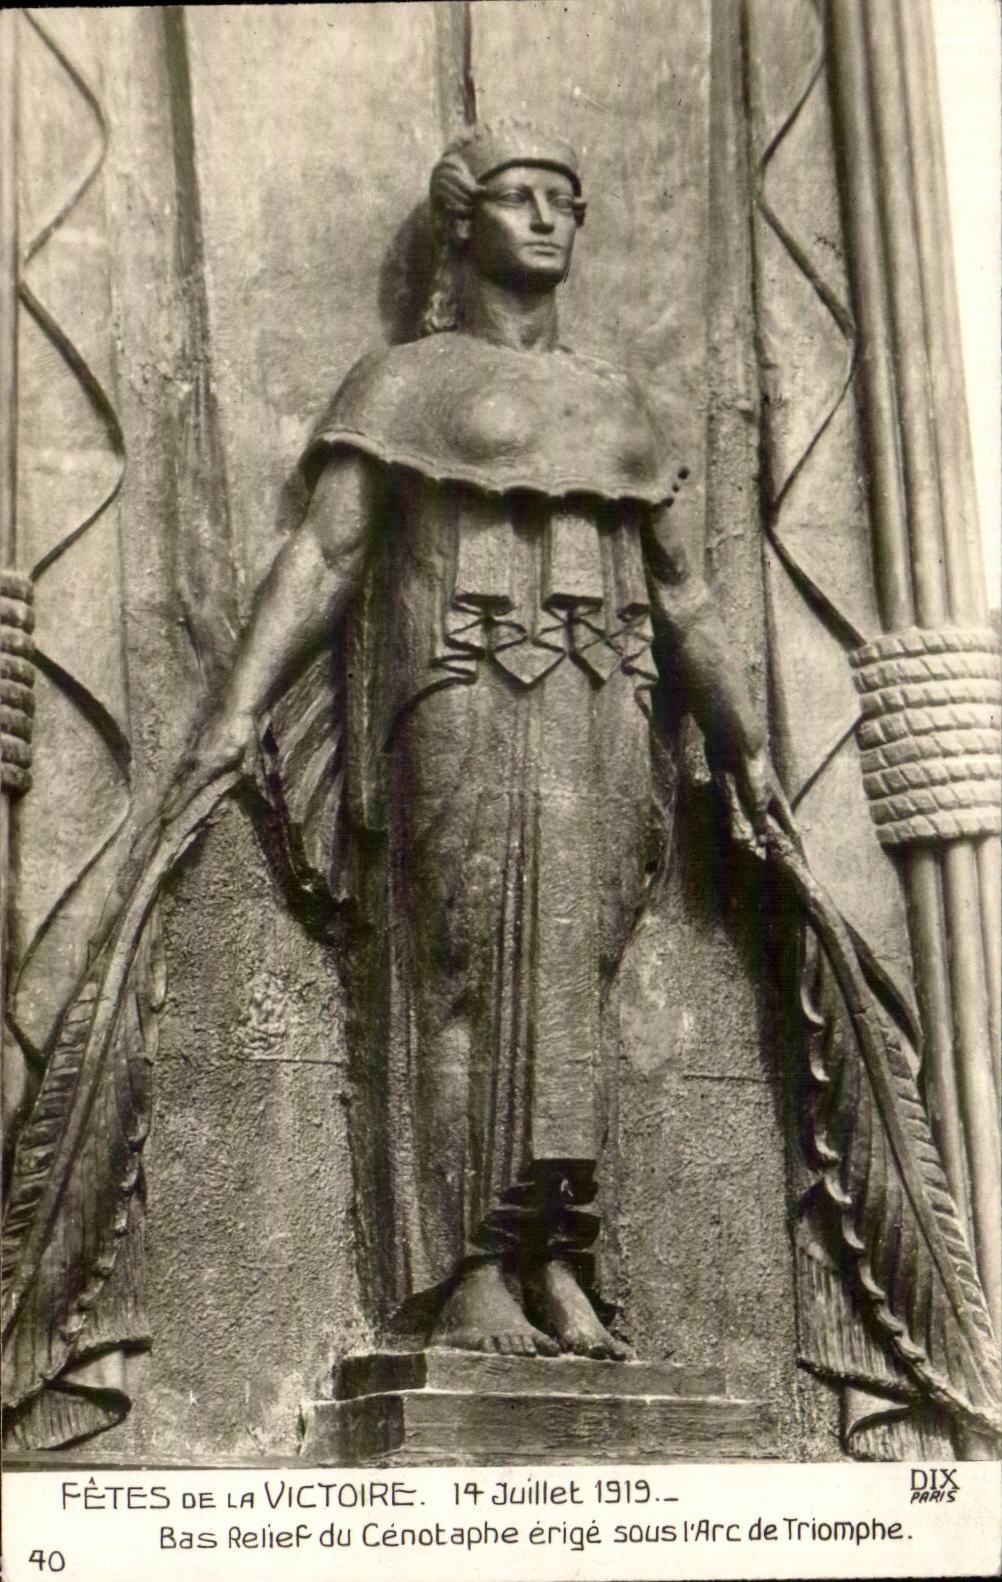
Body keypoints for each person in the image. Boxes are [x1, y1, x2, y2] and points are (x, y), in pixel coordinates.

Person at [174, 122, 788, 1360]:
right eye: (521, 197)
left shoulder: (621, 404)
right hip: (452, 690)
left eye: (567, 198)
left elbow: (685, 599)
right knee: (458, 968)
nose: (551, 217)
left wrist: (750, 746)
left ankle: (557, 1259)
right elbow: (330, 554)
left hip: (601, 705)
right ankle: (462, 1274)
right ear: (465, 224)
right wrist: (236, 709)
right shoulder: (401, 383)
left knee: (574, 986)